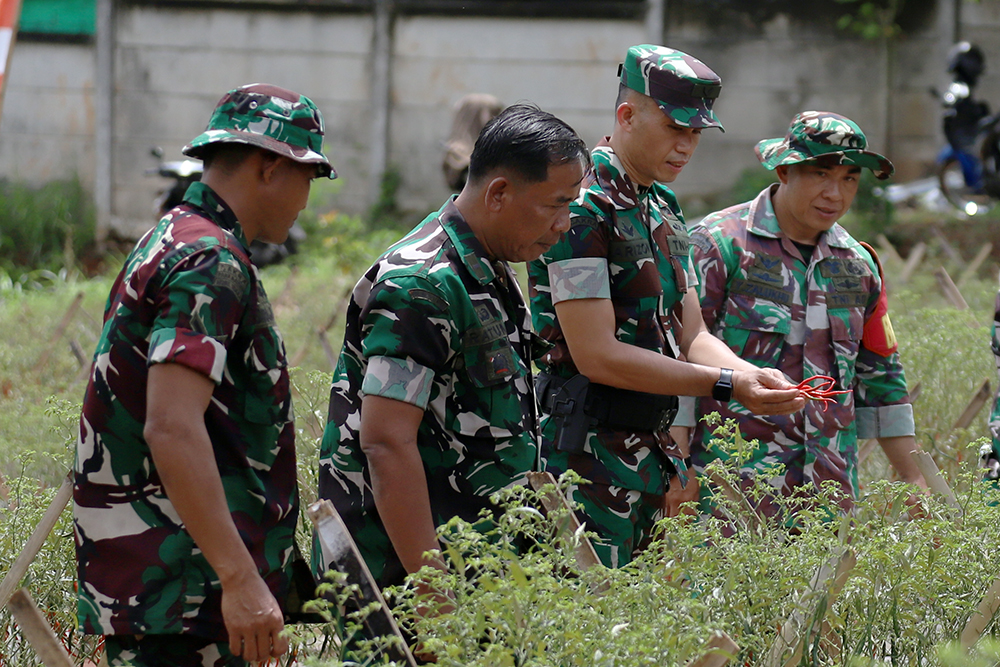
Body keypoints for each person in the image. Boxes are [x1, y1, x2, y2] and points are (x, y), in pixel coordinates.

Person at [74, 83, 335, 667]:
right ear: (270, 167)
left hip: (172, 588)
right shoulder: (209, 260)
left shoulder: (173, 238)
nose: (306, 199)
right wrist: (239, 579)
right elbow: (170, 426)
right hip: (189, 598)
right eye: (308, 176)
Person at [527, 45, 804, 568]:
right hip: (584, 459)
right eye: (676, 128)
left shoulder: (662, 206)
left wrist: (754, 376)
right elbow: (596, 354)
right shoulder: (585, 206)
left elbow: (692, 334)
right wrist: (726, 385)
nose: (686, 146)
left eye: (696, 133)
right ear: (626, 116)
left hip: (651, 453)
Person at [316, 103, 589, 590]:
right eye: (556, 204)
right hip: (410, 576)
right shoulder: (421, 284)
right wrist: (432, 593)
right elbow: (385, 442)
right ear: (500, 193)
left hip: (483, 563)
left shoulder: (487, 267)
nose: (565, 223)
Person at [679, 111, 926, 525]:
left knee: (824, 593)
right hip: (731, 489)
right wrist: (678, 462)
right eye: (821, 174)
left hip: (829, 494)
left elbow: (882, 378)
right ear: (785, 170)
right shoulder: (721, 244)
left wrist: (913, 475)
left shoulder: (858, 264)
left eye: (850, 179)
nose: (835, 193)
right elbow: (681, 355)